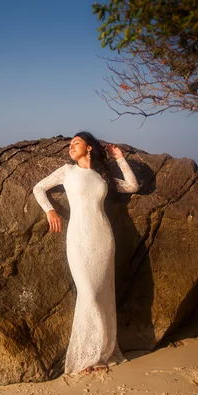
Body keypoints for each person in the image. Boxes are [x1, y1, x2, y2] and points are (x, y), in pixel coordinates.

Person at [32, 132, 140, 375]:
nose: (71, 147)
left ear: (89, 147)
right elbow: (39, 188)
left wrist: (121, 159)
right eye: (70, 144)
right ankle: (86, 355)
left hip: (103, 237)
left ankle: (100, 354)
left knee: (102, 294)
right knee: (88, 293)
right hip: (78, 237)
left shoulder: (102, 177)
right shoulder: (67, 171)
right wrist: (50, 210)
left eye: (76, 143)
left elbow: (133, 186)